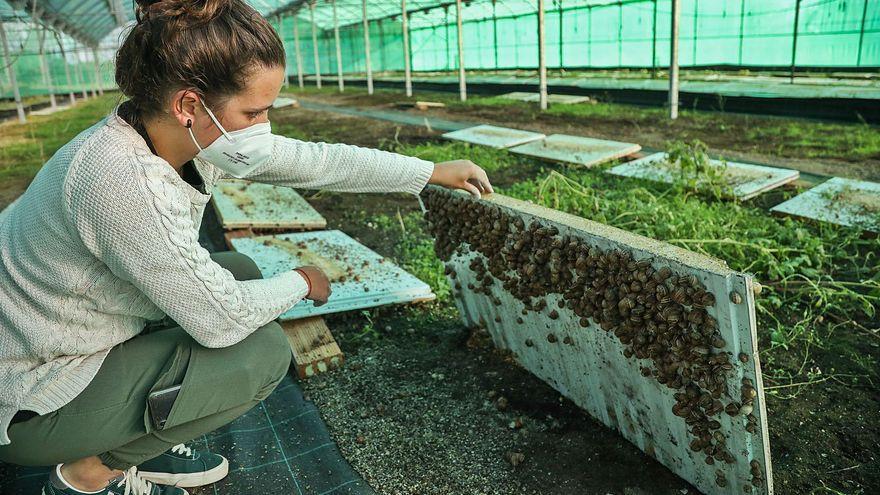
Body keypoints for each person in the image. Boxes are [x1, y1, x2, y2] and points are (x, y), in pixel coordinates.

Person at [0, 1, 493, 494]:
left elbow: (313, 161)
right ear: (189, 105)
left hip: (66, 332)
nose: (262, 128)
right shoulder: (120, 182)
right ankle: (87, 474)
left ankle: (137, 428)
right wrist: (301, 281)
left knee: (236, 267)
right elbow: (221, 322)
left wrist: (425, 173)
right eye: (253, 112)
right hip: (30, 394)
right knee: (260, 354)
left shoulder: (175, 135)